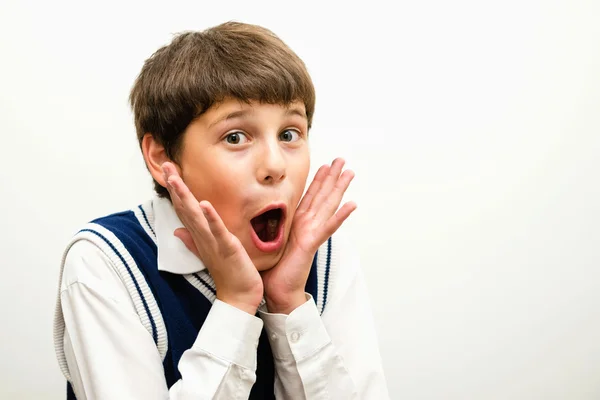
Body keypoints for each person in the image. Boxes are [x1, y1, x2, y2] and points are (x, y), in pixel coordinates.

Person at [53, 21, 389, 399]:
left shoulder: (325, 256)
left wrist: (290, 303)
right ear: (163, 157)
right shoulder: (105, 264)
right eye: (235, 137)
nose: (275, 165)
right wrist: (236, 303)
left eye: (289, 133)